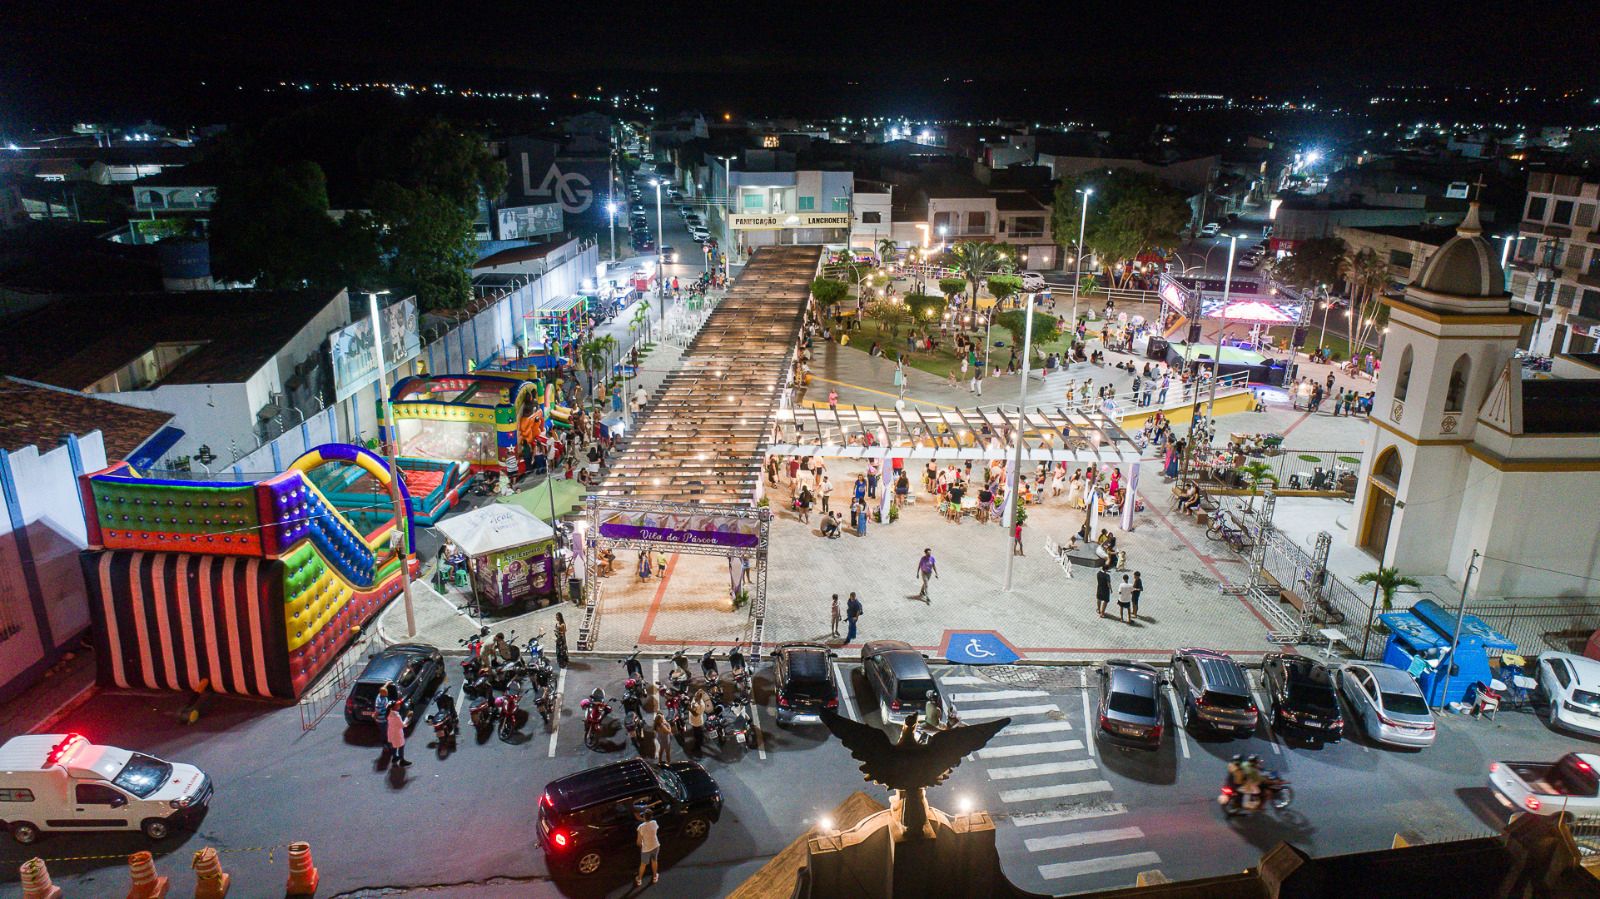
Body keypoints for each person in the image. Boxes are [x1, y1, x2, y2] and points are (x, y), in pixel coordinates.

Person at [635, 807, 661, 886]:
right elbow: (648, 822)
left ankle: (639, 879)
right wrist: (641, 819)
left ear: (643, 816)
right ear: (651, 816)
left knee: (643, 864)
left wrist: (641, 846)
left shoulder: (640, 827)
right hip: (656, 845)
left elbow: (638, 842)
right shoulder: (654, 822)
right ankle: (655, 876)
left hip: (646, 849)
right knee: (654, 861)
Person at [386, 696, 410, 767]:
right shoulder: (396, 716)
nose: (399, 705)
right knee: (401, 746)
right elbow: (402, 725)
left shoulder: (389, 713)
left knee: (394, 746)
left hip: (391, 732)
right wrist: (407, 718)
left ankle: (394, 757)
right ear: (394, 707)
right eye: (397, 705)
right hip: (397, 733)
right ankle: (402, 760)